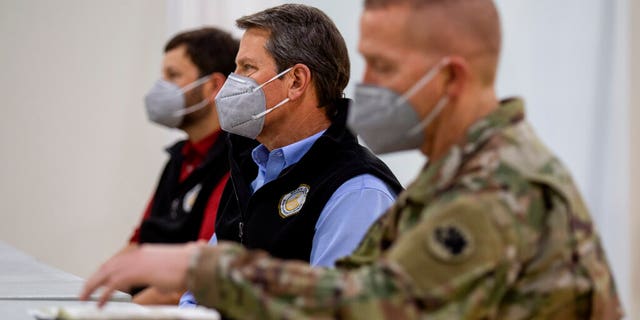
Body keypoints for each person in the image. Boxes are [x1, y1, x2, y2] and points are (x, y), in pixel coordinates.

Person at [81, 0, 624, 319]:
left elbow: (369, 308)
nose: (366, 85)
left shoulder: (498, 187)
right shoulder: (458, 172)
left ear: (453, 78)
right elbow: (354, 283)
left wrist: (199, 268)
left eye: (383, 66)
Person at [178, 4, 403, 307]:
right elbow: (200, 292)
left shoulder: (357, 190)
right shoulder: (251, 168)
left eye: (247, 68)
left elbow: (334, 312)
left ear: (296, 81)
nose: (230, 85)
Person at [120, 27, 239, 305]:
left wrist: (127, 311)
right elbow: (137, 244)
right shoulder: (179, 158)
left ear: (213, 86)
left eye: (173, 76)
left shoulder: (235, 163)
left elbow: (194, 276)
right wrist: (88, 298)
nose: (161, 88)